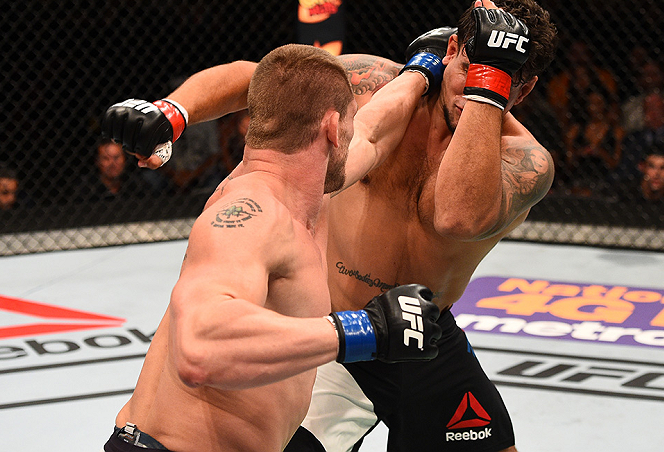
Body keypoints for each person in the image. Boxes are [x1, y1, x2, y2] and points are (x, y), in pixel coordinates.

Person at [102, 0, 559, 452]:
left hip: (419, 328)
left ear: (525, 88)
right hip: (324, 321)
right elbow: (259, 78)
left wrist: (487, 81)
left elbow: (456, 215)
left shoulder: (525, 161)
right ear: (454, 50)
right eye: (468, 69)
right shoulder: (371, 83)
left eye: (504, 82)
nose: (469, 91)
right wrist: (173, 112)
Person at [101, 44, 441, 452]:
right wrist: (365, 331)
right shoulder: (253, 213)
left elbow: (366, 126)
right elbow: (200, 349)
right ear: (333, 129)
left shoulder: (302, 189)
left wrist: (421, 73)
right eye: (349, 123)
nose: (355, 134)